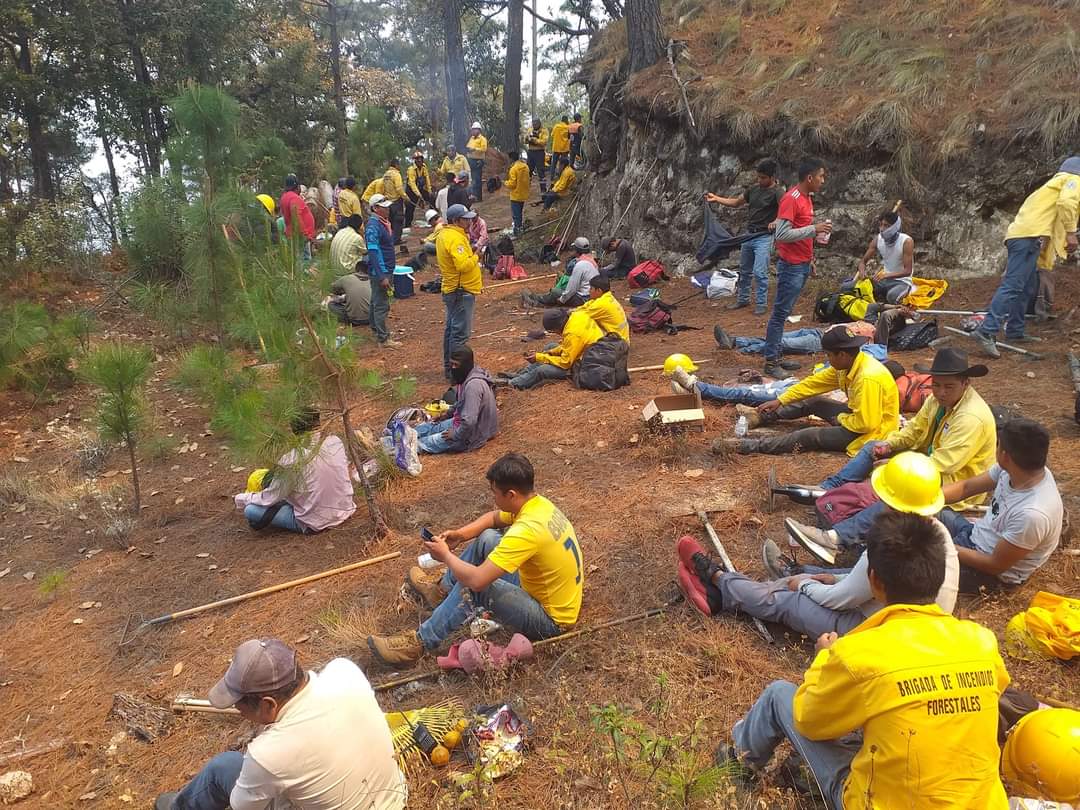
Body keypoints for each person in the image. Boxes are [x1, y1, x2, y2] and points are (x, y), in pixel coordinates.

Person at [718, 506, 1011, 810]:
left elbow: (809, 721)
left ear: (874, 580)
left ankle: (734, 765)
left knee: (779, 694)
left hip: (878, 803)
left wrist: (821, 661)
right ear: (939, 576)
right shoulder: (982, 641)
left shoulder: (857, 653)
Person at [789, 419, 1063, 594]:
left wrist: (942, 544)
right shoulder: (1015, 469)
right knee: (907, 506)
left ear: (1005, 454)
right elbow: (966, 488)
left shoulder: (1033, 514)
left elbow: (994, 566)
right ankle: (834, 539)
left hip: (988, 573)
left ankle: (808, 576)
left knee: (908, 560)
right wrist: (920, 500)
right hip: (973, 535)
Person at [677, 472, 959, 638]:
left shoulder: (887, 542)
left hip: (876, 630)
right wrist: (830, 578)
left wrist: (806, 585)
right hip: (915, 624)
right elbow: (864, 582)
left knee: (788, 600)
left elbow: (838, 600)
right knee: (824, 578)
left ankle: (716, 580)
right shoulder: (937, 535)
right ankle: (764, 582)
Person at [366, 453, 582, 666]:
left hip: (550, 620)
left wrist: (446, 556)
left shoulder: (527, 531)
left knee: (478, 588)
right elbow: (493, 518)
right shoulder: (537, 505)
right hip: (547, 593)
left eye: (495, 493)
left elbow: (478, 581)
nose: (493, 499)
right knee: (487, 538)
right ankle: (441, 591)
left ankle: (419, 643)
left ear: (511, 495)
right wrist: (460, 535)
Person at [154, 638, 406, 810]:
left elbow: (242, 805)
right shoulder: (344, 671)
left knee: (225, 766)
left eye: (239, 705)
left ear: (268, 704)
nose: (238, 711)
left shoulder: (268, 753)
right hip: (394, 799)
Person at [817, 348, 997, 500]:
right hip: (927, 459)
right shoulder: (935, 401)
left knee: (887, 485)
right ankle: (830, 486)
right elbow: (914, 429)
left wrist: (897, 467)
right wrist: (889, 444)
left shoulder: (970, 417)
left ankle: (849, 497)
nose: (941, 392)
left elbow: (944, 464)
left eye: (949, 387)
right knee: (874, 446)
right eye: (936, 385)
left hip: (952, 482)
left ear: (965, 383)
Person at [717, 325, 899, 456]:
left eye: (828, 355)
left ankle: (749, 445)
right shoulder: (847, 365)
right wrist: (780, 400)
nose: (827, 358)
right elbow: (812, 384)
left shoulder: (867, 378)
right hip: (857, 418)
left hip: (869, 433)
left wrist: (841, 418)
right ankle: (761, 416)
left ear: (841, 354)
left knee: (810, 435)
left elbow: (867, 424)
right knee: (814, 402)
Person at [972, 156, 1079, 358]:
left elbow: (1047, 219)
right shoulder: (1073, 180)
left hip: (1027, 238)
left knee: (1027, 286)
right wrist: (1071, 233)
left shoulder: (1049, 188)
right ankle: (986, 330)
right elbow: (1068, 203)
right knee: (1012, 285)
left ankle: (1015, 330)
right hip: (1027, 239)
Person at [762, 157, 832, 377]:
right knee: (780, 313)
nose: (823, 180)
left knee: (785, 312)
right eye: (821, 176)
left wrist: (809, 258)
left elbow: (801, 230)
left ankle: (777, 355)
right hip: (790, 266)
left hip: (801, 263)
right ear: (809, 177)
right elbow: (782, 234)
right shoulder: (791, 199)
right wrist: (814, 229)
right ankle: (771, 362)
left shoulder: (807, 198)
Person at [233, 408, 356, 534]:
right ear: (318, 422)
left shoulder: (291, 459)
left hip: (314, 522)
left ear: (294, 430)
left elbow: (269, 498)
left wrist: (240, 498)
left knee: (251, 510)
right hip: (345, 510)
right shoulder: (334, 441)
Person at [705, 158, 783, 315]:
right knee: (745, 270)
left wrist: (776, 221)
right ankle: (743, 300)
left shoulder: (778, 192)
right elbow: (736, 203)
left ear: (772, 177)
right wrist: (716, 198)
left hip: (764, 237)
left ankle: (761, 304)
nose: (760, 180)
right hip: (749, 235)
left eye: (763, 177)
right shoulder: (753, 190)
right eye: (758, 177)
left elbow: (785, 211)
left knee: (760, 272)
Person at [415, 345, 498, 454]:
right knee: (428, 428)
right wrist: (446, 415)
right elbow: (460, 403)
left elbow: (469, 421)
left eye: (456, 365)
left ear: (466, 365)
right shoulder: (469, 375)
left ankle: (392, 446)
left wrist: (455, 434)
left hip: (472, 436)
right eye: (451, 364)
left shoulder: (473, 386)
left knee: (420, 444)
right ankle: (396, 436)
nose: (453, 368)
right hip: (461, 423)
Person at [436, 204, 483, 381]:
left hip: (454, 290)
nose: (470, 221)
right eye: (466, 218)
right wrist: (476, 255)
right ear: (457, 221)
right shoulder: (455, 238)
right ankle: (457, 373)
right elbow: (463, 265)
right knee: (459, 333)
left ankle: (450, 369)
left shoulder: (446, 234)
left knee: (451, 331)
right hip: (460, 291)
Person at [503, 307, 602, 389]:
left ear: (557, 327)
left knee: (542, 370)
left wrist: (541, 357)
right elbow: (568, 346)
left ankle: (512, 384)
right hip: (584, 352)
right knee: (549, 347)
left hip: (585, 365)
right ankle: (521, 375)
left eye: (553, 331)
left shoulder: (573, 334)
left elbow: (565, 363)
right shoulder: (576, 316)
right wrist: (549, 353)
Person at [854, 209, 915, 304]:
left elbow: (907, 271)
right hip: (883, 281)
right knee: (852, 289)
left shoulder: (906, 241)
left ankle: (890, 300)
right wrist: (862, 273)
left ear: (895, 227)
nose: (882, 229)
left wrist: (886, 275)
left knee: (892, 296)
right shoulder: (878, 239)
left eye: (886, 226)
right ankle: (880, 299)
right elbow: (863, 262)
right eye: (881, 225)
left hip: (902, 282)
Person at [365, 194, 400, 348]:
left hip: (385, 269)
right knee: (381, 304)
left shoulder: (382, 223)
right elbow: (373, 252)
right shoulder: (373, 226)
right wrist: (382, 275)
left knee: (375, 301)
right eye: (384, 207)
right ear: (375, 208)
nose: (387, 209)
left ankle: (375, 329)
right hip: (382, 271)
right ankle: (383, 338)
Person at [521, 237, 598, 308]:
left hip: (582, 299)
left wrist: (562, 300)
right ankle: (541, 298)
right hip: (590, 296)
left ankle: (537, 300)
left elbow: (571, 289)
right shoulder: (593, 262)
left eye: (574, 249)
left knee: (555, 292)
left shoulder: (580, 265)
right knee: (560, 284)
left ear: (577, 250)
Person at [578, 274, 628, 341]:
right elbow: (587, 305)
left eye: (591, 288)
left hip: (616, 344)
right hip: (621, 339)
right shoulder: (607, 297)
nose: (589, 291)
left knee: (584, 323)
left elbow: (579, 316)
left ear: (599, 290)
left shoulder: (601, 304)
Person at [279, 174, 315, 264]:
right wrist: (305, 234)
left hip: (293, 234)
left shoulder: (284, 197)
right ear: (297, 186)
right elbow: (296, 217)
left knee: (297, 260)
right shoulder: (294, 198)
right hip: (300, 237)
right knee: (304, 262)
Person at [381, 158, 407, 245]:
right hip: (396, 201)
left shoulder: (385, 175)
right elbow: (399, 188)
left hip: (388, 202)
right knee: (398, 221)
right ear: (396, 165)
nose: (399, 167)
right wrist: (406, 197)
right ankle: (397, 240)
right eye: (398, 165)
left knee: (391, 221)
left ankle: (391, 238)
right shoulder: (396, 175)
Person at [405, 151, 433, 227]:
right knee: (410, 208)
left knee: (431, 198)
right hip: (411, 191)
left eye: (420, 159)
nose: (419, 161)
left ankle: (433, 218)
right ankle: (407, 224)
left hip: (420, 189)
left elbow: (427, 179)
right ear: (415, 160)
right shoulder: (411, 169)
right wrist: (419, 195)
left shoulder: (424, 167)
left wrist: (429, 190)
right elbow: (412, 184)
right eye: (417, 159)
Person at [505, 150, 530, 234]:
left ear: (511, 159)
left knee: (516, 215)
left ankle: (517, 230)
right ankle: (519, 227)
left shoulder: (513, 169)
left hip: (515, 195)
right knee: (519, 212)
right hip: (523, 194)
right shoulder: (525, 166)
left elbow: (512, 184)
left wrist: (505, 183)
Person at [524, 119, 550, 192]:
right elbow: (525, 140)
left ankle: (543, 190)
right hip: (531, 152)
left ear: (539, 124)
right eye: (533, 124)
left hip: (539, 153)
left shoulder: (544, 131)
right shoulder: (530, 130)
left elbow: (544, 142)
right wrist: (526, 139)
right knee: (528, 171)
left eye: (535, 124)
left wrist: (534, 140)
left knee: (541, 172)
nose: (534, 125)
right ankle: (526, 189)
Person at [466, 122, 487, 201]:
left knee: (477, 179)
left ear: (478, 130)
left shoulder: (482, 139)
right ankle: (473, 196)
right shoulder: (471, 138)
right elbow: (468, 146)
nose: (473, 131)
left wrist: (475, 149)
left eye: (474, 130)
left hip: (478, 161)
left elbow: (484, 149)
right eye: (472, 130)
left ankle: (478, 197)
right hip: (471, 160)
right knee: (472, 178)